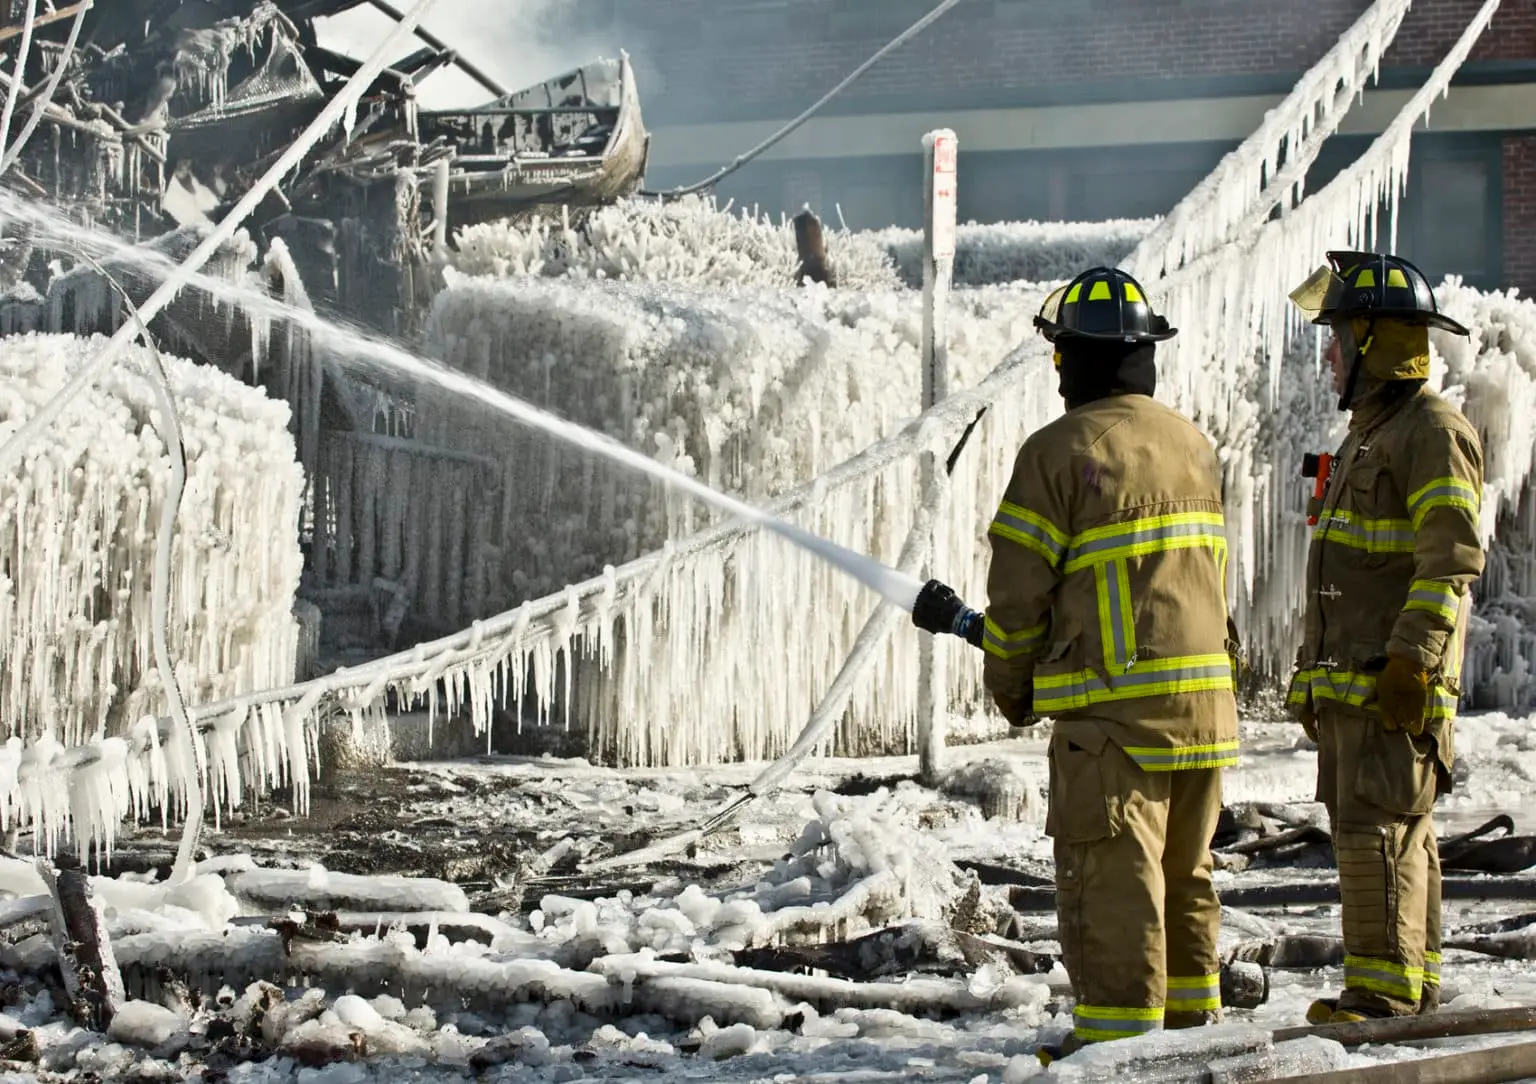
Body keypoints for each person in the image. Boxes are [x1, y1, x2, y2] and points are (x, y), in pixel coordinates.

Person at [912, 266, 1241, 1061]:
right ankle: (1193, 1039)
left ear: (1073, 360)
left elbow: (1021, 600)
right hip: (1204, 716)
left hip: (1114, 726)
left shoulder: (1061, 452)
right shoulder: (1188, 442)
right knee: (1184, 878)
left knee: (1114, 888)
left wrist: (1011, 689)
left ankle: (1119, 1056)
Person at [1285, 251, 1485, 1024]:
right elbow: (1339, 575)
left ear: (1374, 340)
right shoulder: (1369, 436)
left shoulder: (1431, 433)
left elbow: (1450, 563)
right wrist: (1311, 677)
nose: (1331, 353)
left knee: (1379, 836)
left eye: (1339, 337)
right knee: (1391, 835)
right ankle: (1412, 982)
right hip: (1355, 692)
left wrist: (1413, 661)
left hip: (1392, 688)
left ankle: (1380, 994)